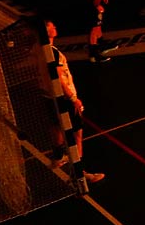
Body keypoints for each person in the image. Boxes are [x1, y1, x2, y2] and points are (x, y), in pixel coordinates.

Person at [42, 19, 103, 185]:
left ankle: (58, 155)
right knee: (77, 135)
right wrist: (73, 98)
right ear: (47, 32)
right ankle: (79, 175)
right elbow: (58, 78)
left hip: (50, 97)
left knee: (57, 127)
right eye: (52, 26)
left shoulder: (41, 51)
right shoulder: (53, 53)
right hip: (64, 97)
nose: (55, 27)